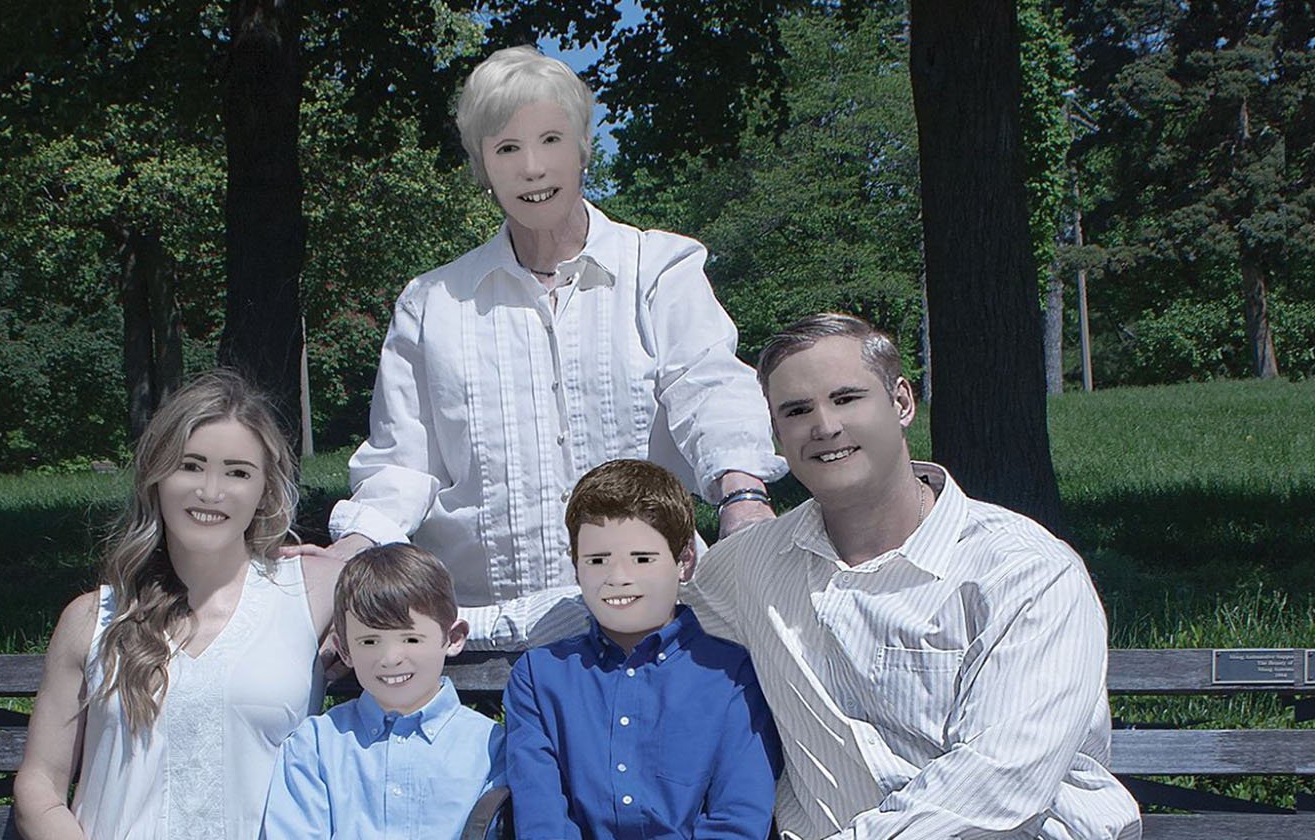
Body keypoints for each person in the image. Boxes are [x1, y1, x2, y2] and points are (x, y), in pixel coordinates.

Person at [463, 314, 1142, 839]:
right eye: (795, 411)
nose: (824, 426)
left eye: (847, 398)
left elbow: (1000, 786)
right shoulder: (759, 563)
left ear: (901, 401)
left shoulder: (1024, 572)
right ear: (775, 434)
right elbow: (628, 593)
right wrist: (457, 624)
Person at [286, 45, 786, 612]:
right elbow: (404, 461)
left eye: (551, 140)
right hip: (483, 628)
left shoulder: (659, 270)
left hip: (653, 616)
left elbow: (710, 389)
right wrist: (349, 550)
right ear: (483, 167)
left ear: (582, 148)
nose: (532, 167)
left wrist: (742, 497)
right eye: (506, 148)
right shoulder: (430, 304)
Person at [14, 370, 343, 840]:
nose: (211, 491)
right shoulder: (92, 620)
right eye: (190, 465)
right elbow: (39, 783)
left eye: (237, 472)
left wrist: (355, 570)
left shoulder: (313, 592)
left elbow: (426, 609)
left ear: (265, 490)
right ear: (156, 477)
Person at [503, 459, 781, 839]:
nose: (619, 578)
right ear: (575, 567)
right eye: (598, 560)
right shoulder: (539, 677)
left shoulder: (731, 675)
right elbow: (542, 819)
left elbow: (737, 819)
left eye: (642, 559)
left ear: (684, 561)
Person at [260, 544, 505, 840]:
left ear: (452, 638)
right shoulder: (314, 746)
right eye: (369, 641)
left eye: (411, 639)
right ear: (344, 650)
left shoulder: (492, 748)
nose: (390, 658)